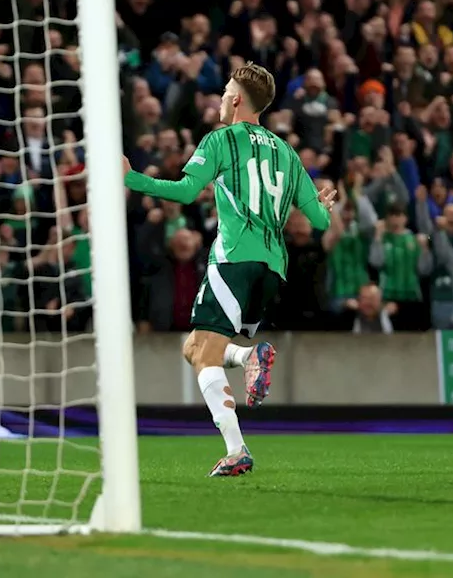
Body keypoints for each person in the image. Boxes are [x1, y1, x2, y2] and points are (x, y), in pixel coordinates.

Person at [122, 62, 337, 476]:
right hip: (273, 271)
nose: (220, 99)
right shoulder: (287, 152)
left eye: (224, 92)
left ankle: (237, 448)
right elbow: (321, 223)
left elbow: (185, 191)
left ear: (237, 100)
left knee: (204, 354)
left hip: (234, 259)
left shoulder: (221, 140)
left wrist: (130, 179)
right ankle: (248, 355)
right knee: (194, 347)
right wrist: (322, 205)